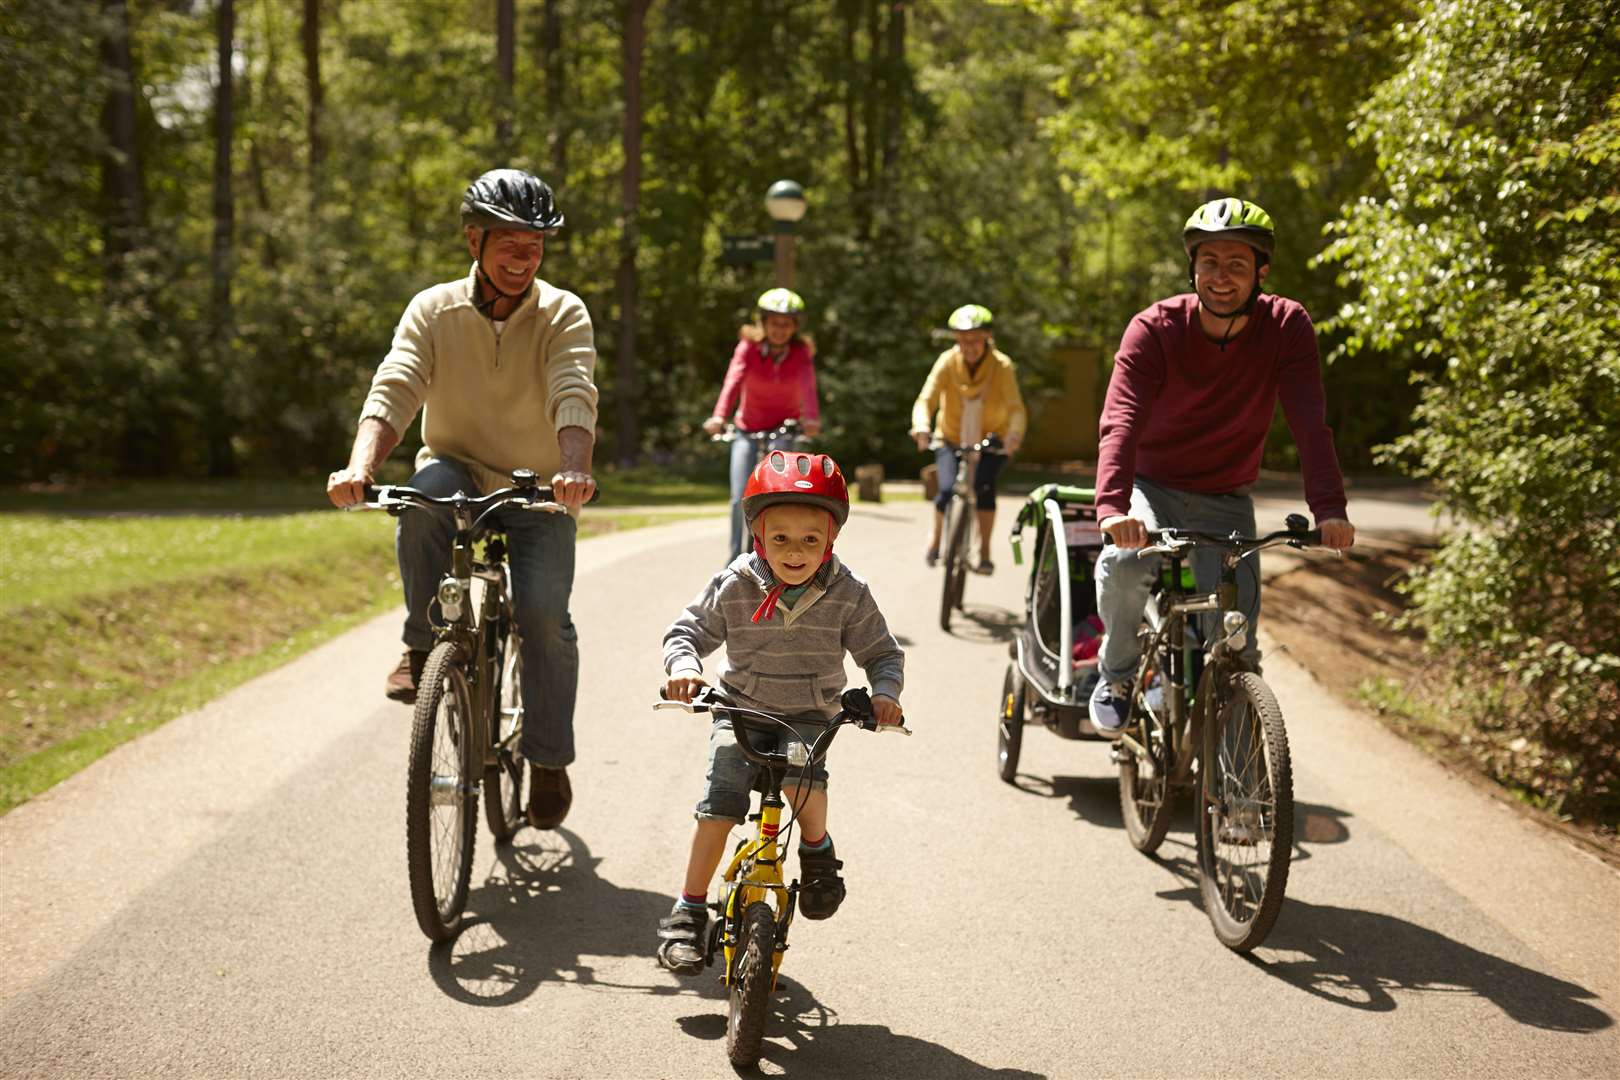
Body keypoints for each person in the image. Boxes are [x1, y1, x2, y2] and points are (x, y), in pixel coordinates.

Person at [326, 168, 599, 829]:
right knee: (421, 503)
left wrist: (572, 470)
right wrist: (360, 465)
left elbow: (573, 390)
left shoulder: (563, 312)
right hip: (457, 467)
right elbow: (396, 386)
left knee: (542, 618)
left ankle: (548, 760)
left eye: (535, 245)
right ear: (473, 240)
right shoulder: (434, 308)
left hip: (536, 483)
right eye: (508, 241)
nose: (522, 258)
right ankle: (423, 649)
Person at [1088, 196, 1357, 734]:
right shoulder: (1154, 329)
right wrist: (1113, 510)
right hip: (1150, 487)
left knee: (1234, 645)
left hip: (1227, 498)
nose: (1221, 277)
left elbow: (1310, 425)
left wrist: (1329, 510)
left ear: (1261, 272)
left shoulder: (1286, 326)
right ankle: (1116, 674)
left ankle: (1240, 804)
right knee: (1125, 562)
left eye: (1238, 264)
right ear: (1192, 267)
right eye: (1209, 262)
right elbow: (1121, 421)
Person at [655, 451, 904, 975]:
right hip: (739, 708)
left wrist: (885, 693)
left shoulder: (849, 595)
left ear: (830, 541)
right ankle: (688, 909)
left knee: (803, 778)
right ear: (758, 537)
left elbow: (882, 653)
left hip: (810, 711)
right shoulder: (736, 583)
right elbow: (687, 633)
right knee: (719, 803)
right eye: (781, 538)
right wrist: (685, 669)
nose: (795, 551)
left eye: (810, 539)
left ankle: (816, 850)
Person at [704, 288, 822, 560]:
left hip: (784, 427)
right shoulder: (748, 347)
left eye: (786, 324)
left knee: (778, 495)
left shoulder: (800, 352)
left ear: (795, 326)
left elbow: (808, 385)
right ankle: (733, 560)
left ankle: (772, 556)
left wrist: (811, 419)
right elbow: (733, 381)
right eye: (774, 323)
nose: (780, 330)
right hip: (747, 428)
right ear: (763, 323)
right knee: (738, 498)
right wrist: (720, 416)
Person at [909, 304, 1027, 574]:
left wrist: (1014, 435)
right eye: (962, 341)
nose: (968, 347)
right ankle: (936, 540)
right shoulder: (947, 362)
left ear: (987, 338)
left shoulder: (1002, 366)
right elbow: (926, 398)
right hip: (951, 437)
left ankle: (984, 550)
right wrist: (921, 426)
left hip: (990, 440)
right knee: (947, 490)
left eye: (974, 340)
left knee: (984, 488)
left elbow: (1016, 408)